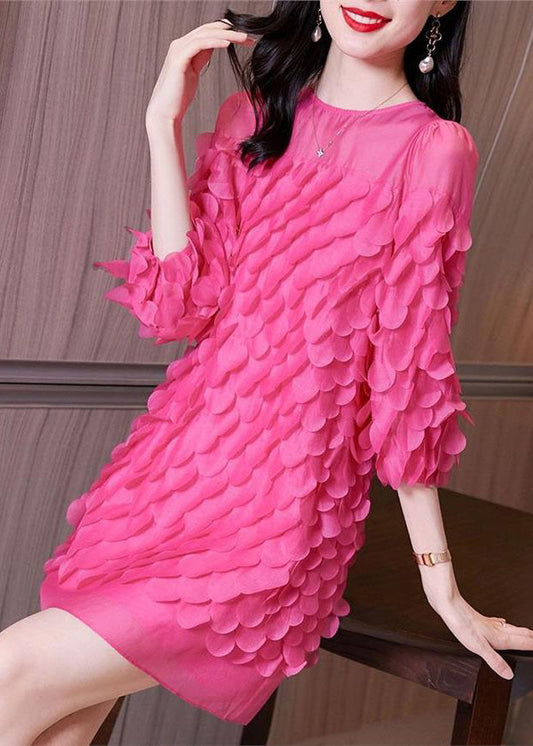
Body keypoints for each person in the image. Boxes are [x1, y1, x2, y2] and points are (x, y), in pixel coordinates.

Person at [2, 1, 532, 743]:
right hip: (163, 485)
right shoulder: (253, 119)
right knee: (60, 726)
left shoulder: (433, 150)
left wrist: (440, 583)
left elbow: (409, 376)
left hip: (277, 516)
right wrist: (162, 124)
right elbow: (179, 305)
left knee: (14, 673)